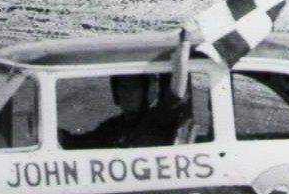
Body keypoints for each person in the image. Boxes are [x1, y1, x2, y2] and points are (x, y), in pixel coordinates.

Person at [60, 29, 194, 150]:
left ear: (146, 91)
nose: (127, 94)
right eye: (123, 87)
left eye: (134, 87)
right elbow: (80, 144)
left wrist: (184, 47)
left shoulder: (159, 118)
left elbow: (176, 96)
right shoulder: (111, 128)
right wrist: (60, 136)